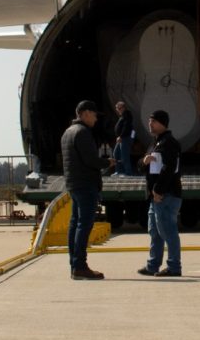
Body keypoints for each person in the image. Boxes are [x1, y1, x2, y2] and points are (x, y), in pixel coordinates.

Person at [61, 99, 108, 279]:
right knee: (84, 225)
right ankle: (80, 266)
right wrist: (106, 162)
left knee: (75, 225)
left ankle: (74, 265)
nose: (96, 119)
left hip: (73, 184)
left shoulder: (67, 132)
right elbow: (91, 160)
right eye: (94, 114)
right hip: (86, 184)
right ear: (86, 113)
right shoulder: (82, 132)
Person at [138, 109, 183, 277]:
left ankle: (174, 267)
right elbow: (141, 165)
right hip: (156, 197)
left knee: (168, 231)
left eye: (154, 121)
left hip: (166, 195)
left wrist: (158, 190)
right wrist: (143, 161)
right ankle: (153, 265)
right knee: (155, 232)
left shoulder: (169, 143)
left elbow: (170, 168)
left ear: (163, 124)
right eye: (150, 121)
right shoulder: (155, 143)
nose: (150, 124)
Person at [110, 99, 144, 177]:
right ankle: (118, 171)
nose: (117, 110)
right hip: (121, 138)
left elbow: (126, 127)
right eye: (116, 108)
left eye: (118, 108)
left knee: (124, 155)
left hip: (125, 138)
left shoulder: (127, 114)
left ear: (122, 107)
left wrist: (121, 136)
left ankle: (128, 173)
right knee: (116, 153)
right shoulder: (123, 115)